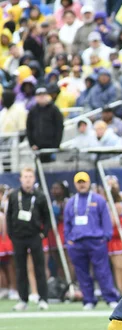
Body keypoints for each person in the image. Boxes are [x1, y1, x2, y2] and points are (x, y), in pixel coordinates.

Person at [64, 172, 120, 310]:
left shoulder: (98, 200)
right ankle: (88, 299)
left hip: (96, 241)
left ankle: (110, 298)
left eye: (84, 181)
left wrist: (106, 237)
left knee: (102, 270)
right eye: (79, 182)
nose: (82, 184)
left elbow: (106, 220)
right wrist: (69, 241)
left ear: (89, 183)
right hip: (77, 242)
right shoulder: (71, 202)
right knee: (82, 272)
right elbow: (67, 224)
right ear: (75, 184)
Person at [7, 167, 51, 311]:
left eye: (30, 177)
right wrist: (11, 235)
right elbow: (9, 216)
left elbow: (47, 217)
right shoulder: (14, 196)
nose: (27, 179)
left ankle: (43, 298)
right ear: (20, 179)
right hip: (18, 237)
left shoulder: (40, 196)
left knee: (39, 268)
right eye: (25, 176)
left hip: (34, 236)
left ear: (34, 179)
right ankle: (23, 299)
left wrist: (43, 233)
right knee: (20, 269)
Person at [26, 87, 64, 163]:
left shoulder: (54, 110)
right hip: (37, 147)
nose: (41, 97)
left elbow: (59, 127)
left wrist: (56, 144)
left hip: (51, 147)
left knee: (51, 168)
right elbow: (29, 128)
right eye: (39, 95)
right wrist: (32, 144)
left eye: (43, 95)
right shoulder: (33, 111)